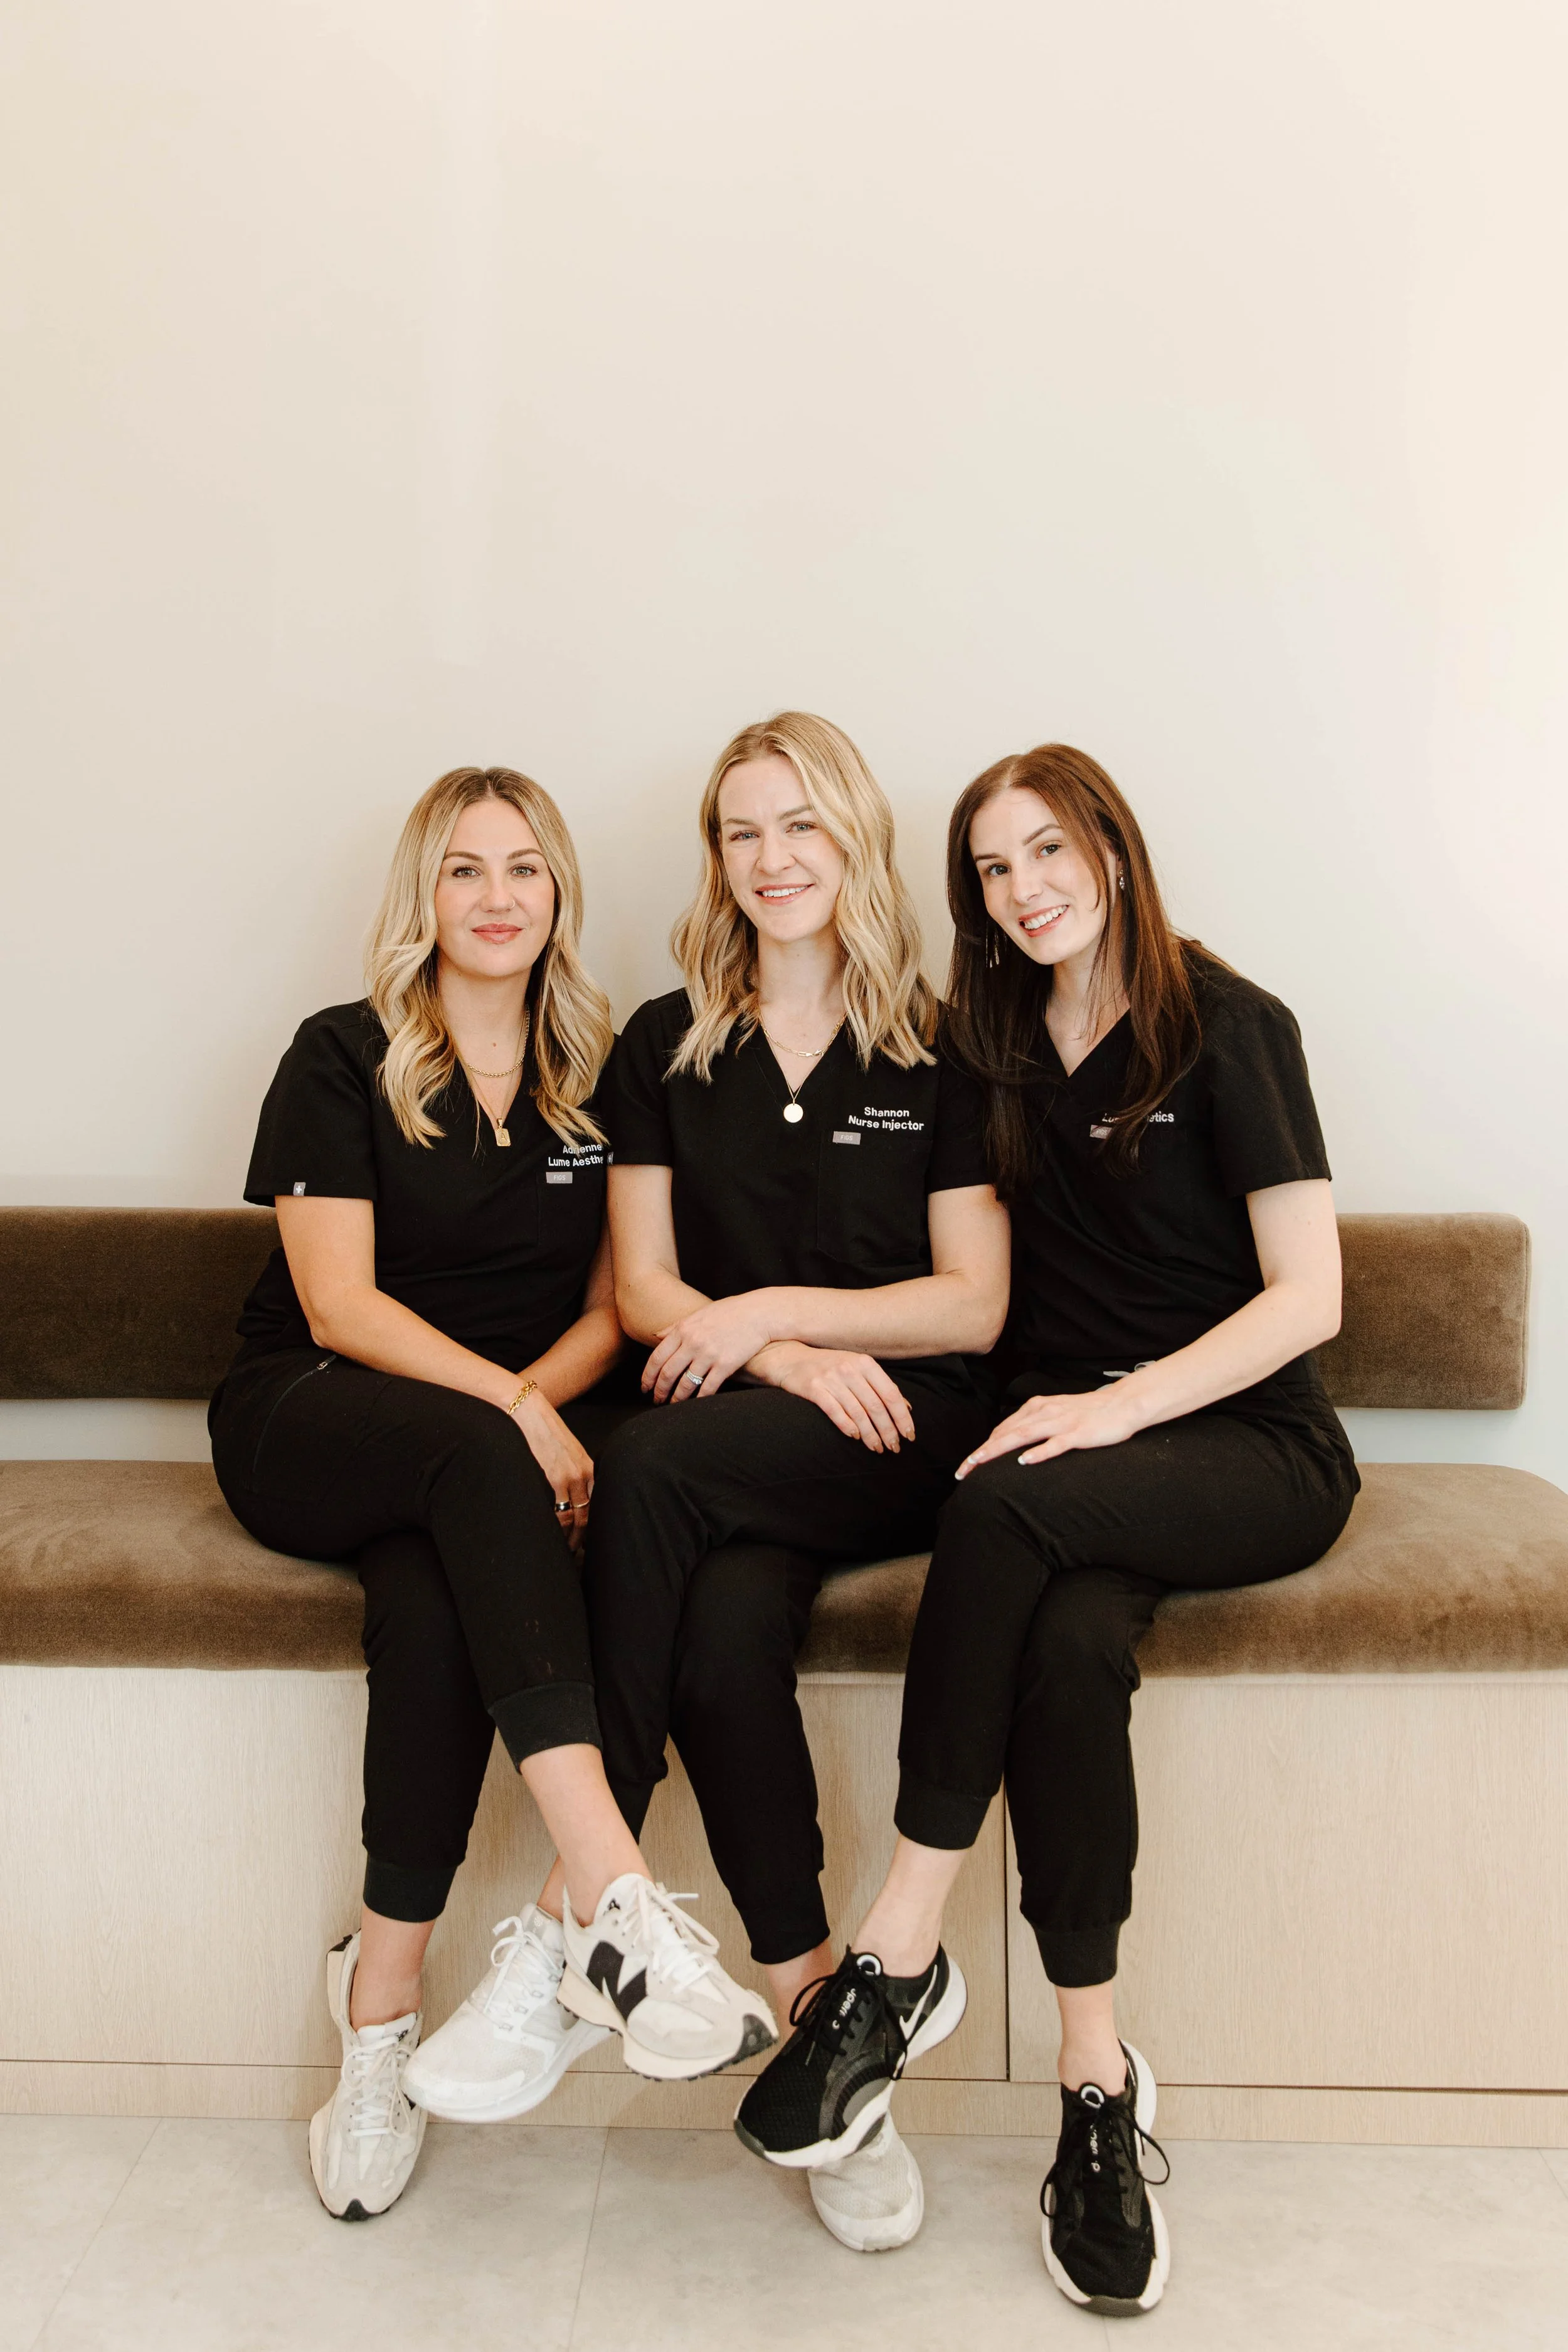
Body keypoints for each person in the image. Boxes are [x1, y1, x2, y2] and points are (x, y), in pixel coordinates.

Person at [736, 743, 1358, 2309]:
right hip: (1070, 1453)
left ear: (1113, 849)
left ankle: (891, 1954)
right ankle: (1094, 2089)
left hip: (1236, 1445)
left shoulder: (1231, 1025)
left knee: (999, 1508)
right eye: (992, 871)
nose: (1024, 890)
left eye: (1047, 851)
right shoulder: (991, 1042)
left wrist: (1114, 1407)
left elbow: (1310, 1298)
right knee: (1068, 1656)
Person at [410, 712, 1010, 2252]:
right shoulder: (668, 1043)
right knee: (724, 1646)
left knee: (647, 1474)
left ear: (855, 838)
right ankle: (831, 2049)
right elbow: (650, 1284)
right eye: (742, 832)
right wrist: (775, 1356)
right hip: (762, 1427)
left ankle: (565, 1926)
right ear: (716, 856)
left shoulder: (939, 1045)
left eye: (800, 824)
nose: (773, 859)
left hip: (905, 1431)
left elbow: (970, 1303)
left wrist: (774, 1326)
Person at [209, 765, 772, 2225]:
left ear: (559, 894)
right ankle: (613, 1896)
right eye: (465, 871)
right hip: (316, 1417)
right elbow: (337, 1307)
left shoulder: (600, 1072)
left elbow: (613, 1305)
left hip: (484, 1466)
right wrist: (518, 1407)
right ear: (424, 897)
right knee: (466, 1463)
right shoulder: (340, 1057)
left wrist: (537, 1404)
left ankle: (377, 2016)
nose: (498, 896)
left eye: (525, 868)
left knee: (434, 1614)